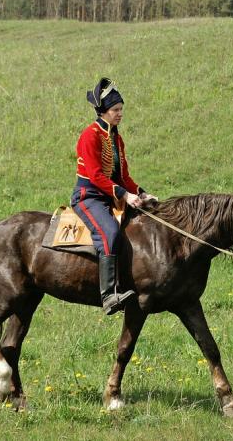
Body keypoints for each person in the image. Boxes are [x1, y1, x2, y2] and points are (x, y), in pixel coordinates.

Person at [71, 78, 157, 315]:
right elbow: (96, 175)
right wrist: (125, 196)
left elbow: (124, 176)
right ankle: (109, 295)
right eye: (115, 110)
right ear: (104, 112)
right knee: (109, 232)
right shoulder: (90, 135)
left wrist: (141, 193)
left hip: (111, 196)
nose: (120, 114)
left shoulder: (116, 138)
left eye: (121, 110)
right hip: (89, 197)